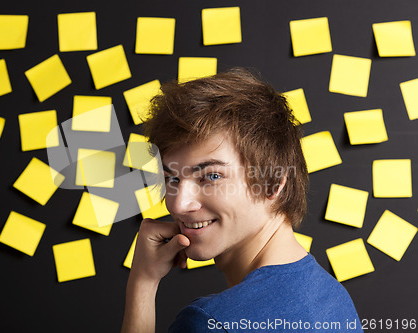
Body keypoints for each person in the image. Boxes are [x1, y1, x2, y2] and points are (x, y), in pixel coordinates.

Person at [121, 68, 363, 333]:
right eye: (172, 179)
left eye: (210, 176)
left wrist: (142, 284)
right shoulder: (335, 298)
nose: (179, 205)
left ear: (272, 182)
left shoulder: (209, 323)